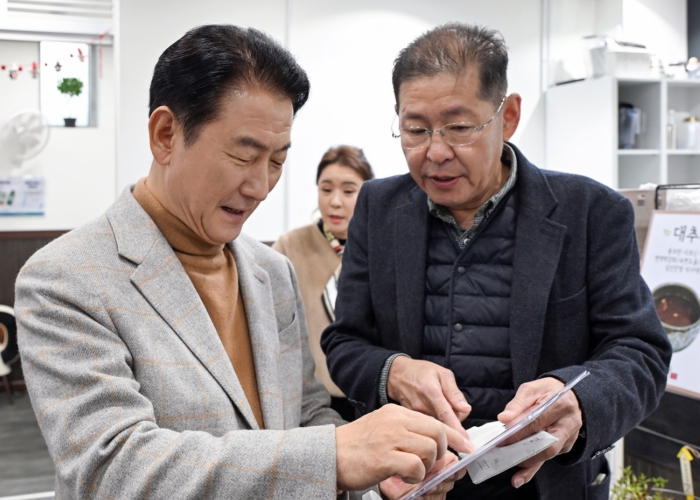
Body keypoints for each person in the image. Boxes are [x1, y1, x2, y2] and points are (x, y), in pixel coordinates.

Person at [15, 25, 469, 500]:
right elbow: (113, 468)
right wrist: (335, 457)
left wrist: (376, 476)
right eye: (243, 155)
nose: (260, 186)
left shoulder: (271, 271)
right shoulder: (66, 280)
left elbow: (306, 414)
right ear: (166, 135)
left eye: (276, 161)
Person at [322, 22, 672, 500]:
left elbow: (639, 351)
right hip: (415, 482)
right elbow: (344, 342)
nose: (436, 152)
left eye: (459, 128)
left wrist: (575, 398)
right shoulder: (379, 208)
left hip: (544, 486)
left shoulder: (591, 213)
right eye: (416, 130)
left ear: (508, 117)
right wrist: (394, 371)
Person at [273, 146, 374, 422]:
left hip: (370, 396)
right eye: (326, 189)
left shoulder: (381, 246)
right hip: (311, 401)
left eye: (349, 191)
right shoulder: (290, 246)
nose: (335, 202)